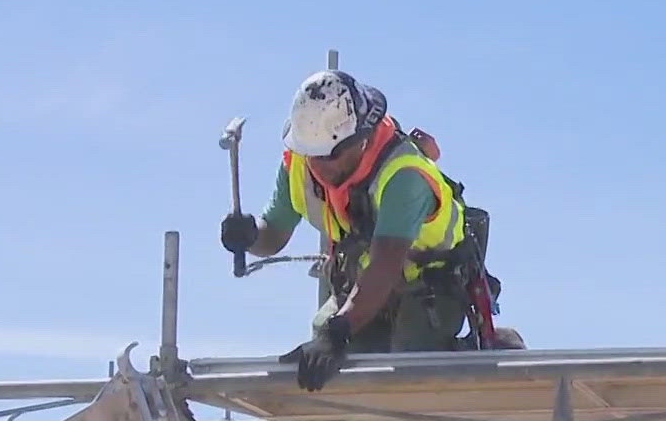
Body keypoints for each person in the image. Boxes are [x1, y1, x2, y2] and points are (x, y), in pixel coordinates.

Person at [219, 71, 512, 392]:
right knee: (329, 364)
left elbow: (384, 266)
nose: (321, 167)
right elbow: (272, 236)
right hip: (363, 286)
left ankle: (487, 348)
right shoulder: (301, 160)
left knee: (409, 367)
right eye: (314, 156)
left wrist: (338, 333)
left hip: (430, 290)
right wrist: (248, 237)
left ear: (362, 138)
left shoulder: (404, 175)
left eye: (333, 155)